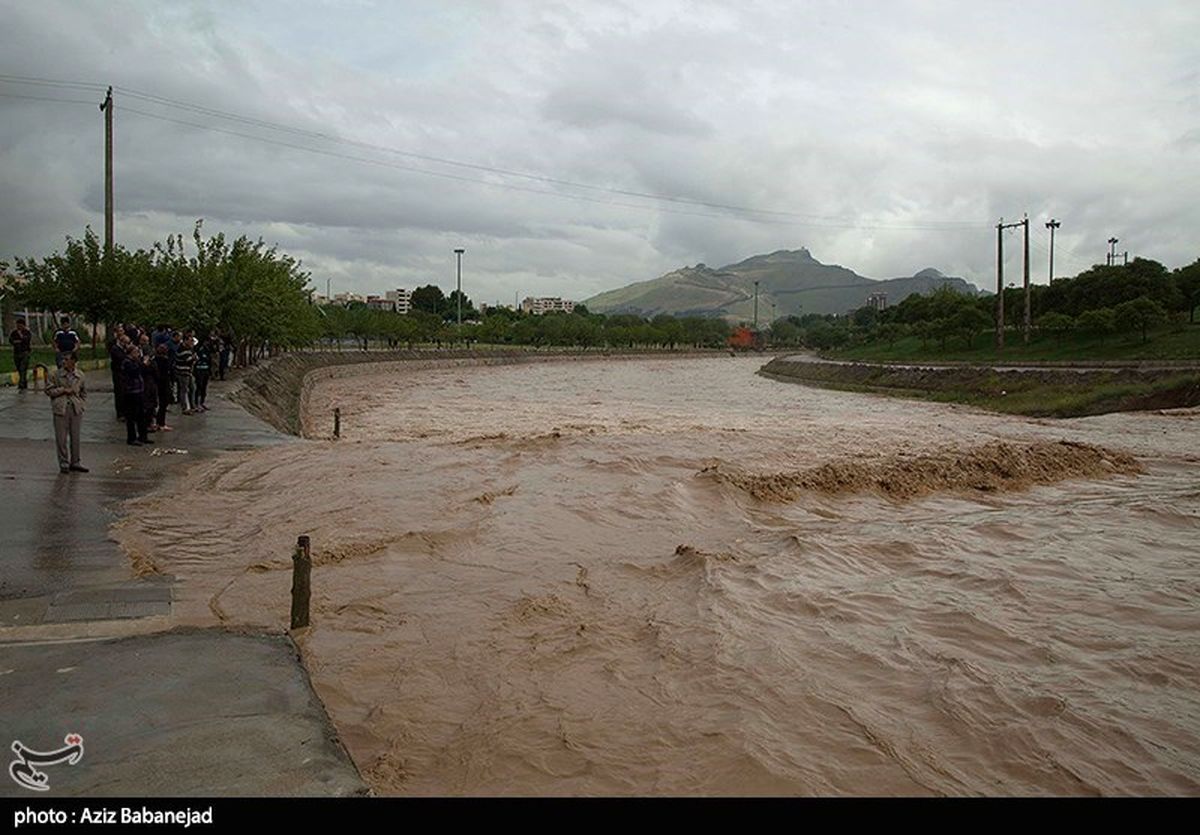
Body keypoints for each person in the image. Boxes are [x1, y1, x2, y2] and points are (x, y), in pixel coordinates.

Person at [45, 352, 88, 473]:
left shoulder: (80, 375)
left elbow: (83, 392)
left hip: (75, 408)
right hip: (61, 408)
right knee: (61, 438)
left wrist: (82, 404)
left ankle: (76, 462)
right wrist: (63, 390)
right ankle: (64, 463)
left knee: (75, 437)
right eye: (63, 359)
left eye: (67, 359)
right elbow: (49, 390)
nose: (64, 361)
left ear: (73, 361)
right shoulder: (55, 374)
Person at [121, 345, 151, 446]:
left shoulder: (136, 361)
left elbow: (143, 372)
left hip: (139, 390)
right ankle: (131, 438)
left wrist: (145, 365)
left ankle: (143, 436)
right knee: (131, 416)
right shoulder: (127, 362)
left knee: (141, 415)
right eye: (136, 352)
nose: (138, 354)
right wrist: (143, 364)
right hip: (130, 392)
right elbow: (134, 372)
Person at [152, 343, 173, 432]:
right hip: (164, 383)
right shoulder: (164, 360)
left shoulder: (154, 359)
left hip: (157, 383)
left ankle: (158, 422)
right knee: (163, 404)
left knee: (161, 404)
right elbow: (168, 372)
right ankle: (161, 423)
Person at [8, 316, 33, 390]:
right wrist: (15, 342)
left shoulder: (27, 332)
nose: (18, 327)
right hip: (16, 353)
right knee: (19, 368)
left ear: (23, 325)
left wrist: (21, 336)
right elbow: (11, 340)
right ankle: (24, 382)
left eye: (20, 325)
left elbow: (26, 340)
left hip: (25, 352)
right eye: (17, 325)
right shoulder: (14, 332)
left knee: (23, 368)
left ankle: (21, 384)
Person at [174, 336, 196, 415]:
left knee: (192, 388)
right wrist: (193, 358)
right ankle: (185, 407)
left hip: (189, 371)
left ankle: (192, 406)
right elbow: (186, 359)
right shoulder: (181, 349)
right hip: (182, 372)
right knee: (184, 390)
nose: (192, 343)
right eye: (190, 341)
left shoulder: (190, 349)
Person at [194, 335, 213, 411]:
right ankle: (197, 403)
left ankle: (202, 402)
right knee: (199, 387)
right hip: (199, 370)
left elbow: (209, 360)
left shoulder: (207, 349)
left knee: (204, 388)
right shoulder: (199, 349)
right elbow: (201, 358)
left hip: (206, 370)